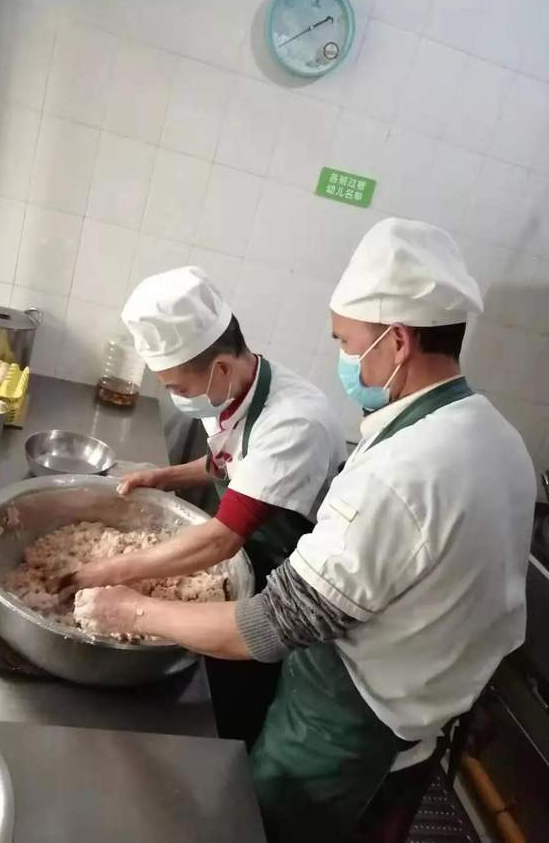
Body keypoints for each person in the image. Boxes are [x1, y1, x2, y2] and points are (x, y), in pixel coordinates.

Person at [74, 219, 536, 841]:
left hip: (348, 713)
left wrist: (128, 608)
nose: (342, 356)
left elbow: (273, 625)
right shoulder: (497, 437)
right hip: (420, 706)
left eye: (346, 340)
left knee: (265, 826)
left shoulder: (403, 471)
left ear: (397, 342)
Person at [64, 265, 346, 744]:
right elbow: (231, 461)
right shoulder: (238, 388)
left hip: (286, 579)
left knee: (239, 698)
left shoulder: (295, 423)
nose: (177, 398)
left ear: (220, 368)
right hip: (249, 547)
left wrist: (105, 572)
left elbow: (220, 541)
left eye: (178, 388)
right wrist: (164, 476)